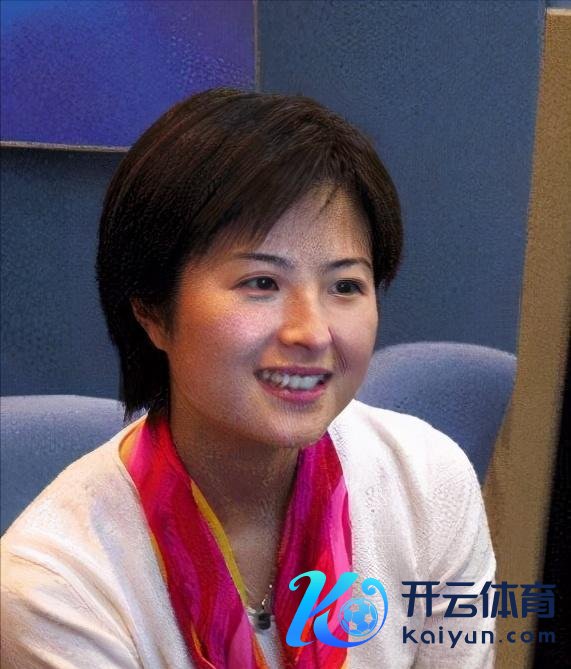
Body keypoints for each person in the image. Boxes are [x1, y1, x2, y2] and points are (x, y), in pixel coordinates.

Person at [1, 88, 495, 668]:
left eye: (345, 286)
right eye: (262, 283)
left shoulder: (429, 484)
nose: (312, 332)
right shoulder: (57, 588)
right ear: (152, 311)